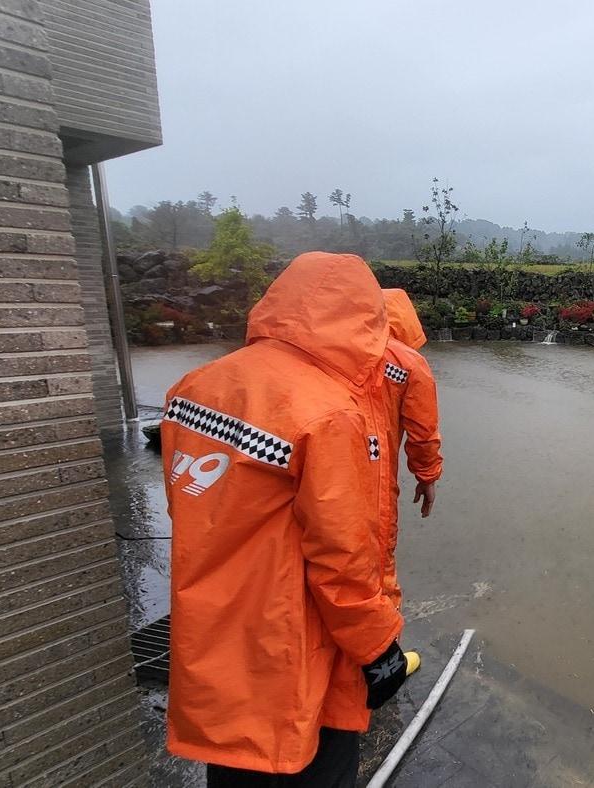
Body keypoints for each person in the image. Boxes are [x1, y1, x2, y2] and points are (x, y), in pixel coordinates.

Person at [161, 252, 410, 786]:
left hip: (213, 635)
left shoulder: (196, 386)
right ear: (365, 320)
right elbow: (342, 560)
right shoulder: (330, 412)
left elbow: (192, 509)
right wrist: (378, 647)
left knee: (232, 766)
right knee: (308, 765)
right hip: (290, 650)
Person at [377, 288, 444, 608]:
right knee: (377, 566)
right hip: (370, 478)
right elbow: (423, 433)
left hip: (311, 469)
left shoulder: (330, 351)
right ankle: (384, 653)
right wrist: (427, 476)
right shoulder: (407, 364)